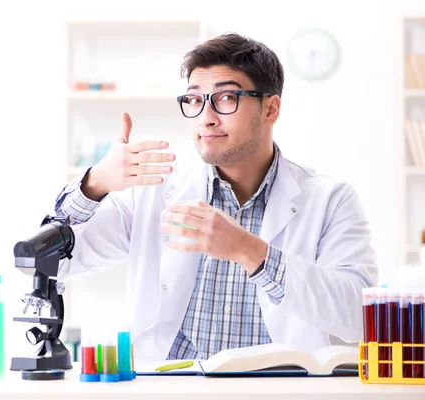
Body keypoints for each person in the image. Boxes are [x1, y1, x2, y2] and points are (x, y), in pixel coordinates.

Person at [51, 33, 377, 362]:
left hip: (281, 389)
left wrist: (250, 251)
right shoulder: (154, 191)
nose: (206, 117)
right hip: (174, 387)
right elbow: (53, 263)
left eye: (225, 98)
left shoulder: (330, 200)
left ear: (270, 109)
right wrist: (95, 183)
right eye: (194, 100)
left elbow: (360, 318)